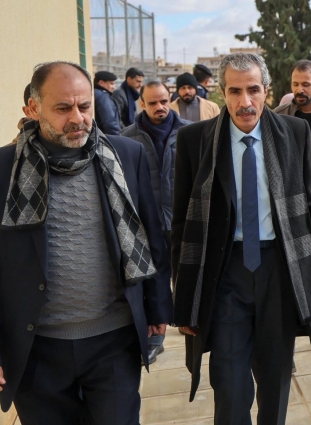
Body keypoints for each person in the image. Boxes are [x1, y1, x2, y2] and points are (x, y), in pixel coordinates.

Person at [0, 61, 173, 424]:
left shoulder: (126, 155)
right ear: (32, 109)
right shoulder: (4, 169)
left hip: (114, 341)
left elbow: (151, 234)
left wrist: (158, 308)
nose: (78, 118)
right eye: (63, 108)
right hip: (35, 349)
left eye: (84, 106)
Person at [171, 53, 311, 424]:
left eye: (253, 90)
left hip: (278, 270)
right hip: (224, 273)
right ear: (221, 92)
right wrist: (184, 294)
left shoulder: (294, 132)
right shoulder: (194, 140)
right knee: (229, 383)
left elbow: (309, 206)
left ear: (266, 91)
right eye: (235, 91)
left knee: (275, 377)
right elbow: (181, 223)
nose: (245, 102)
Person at [121, 80, 189, 364]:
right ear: (142, 104)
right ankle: (156, 336)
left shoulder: (189, 132)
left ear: (170, 98)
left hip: (183, 217)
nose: (160, 107)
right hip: (147, 220)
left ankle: (190, 323)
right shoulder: (127, 138)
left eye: (163, 101)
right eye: (153, 103)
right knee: (155, 277)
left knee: (187, 273)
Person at [93, 71, 121, 135]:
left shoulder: (95, 93)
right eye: (111, 84)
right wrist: (117, 137)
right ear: (101, 83)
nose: (114, 87)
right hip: (107, 136)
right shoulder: (103, 96)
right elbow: (109, 121)